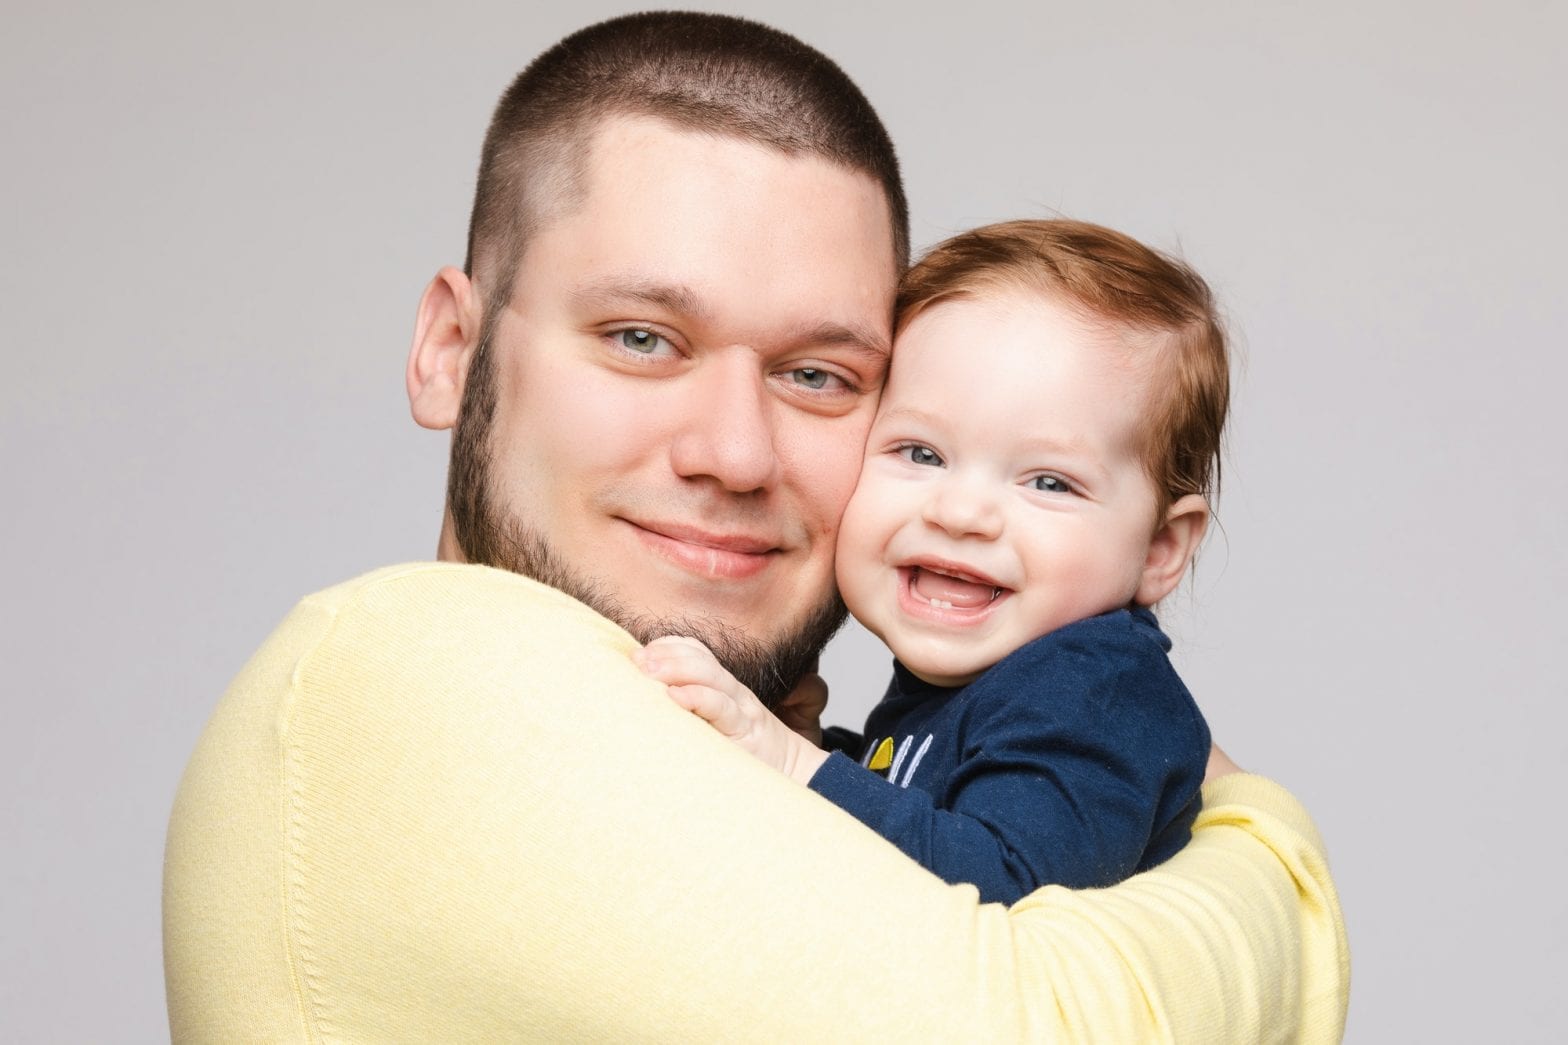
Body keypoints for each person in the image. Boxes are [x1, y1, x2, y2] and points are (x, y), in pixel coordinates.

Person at [162, 11, 1349, 1041]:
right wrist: (1264, 845)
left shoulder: (789, 754)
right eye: (641, 337)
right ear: (450, 350)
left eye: (820, 375)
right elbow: (1034, 1025)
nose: (732, 452)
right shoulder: (409, 672)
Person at [638, 218, 1223, 905]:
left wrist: (793, 762)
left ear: (1160, 549)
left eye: (1049, 482)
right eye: (922, 453)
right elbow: (938, 814)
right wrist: (821, 748)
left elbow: (1004, 889)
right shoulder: (996, 678)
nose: (960, 511)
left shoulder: (1095, 694)